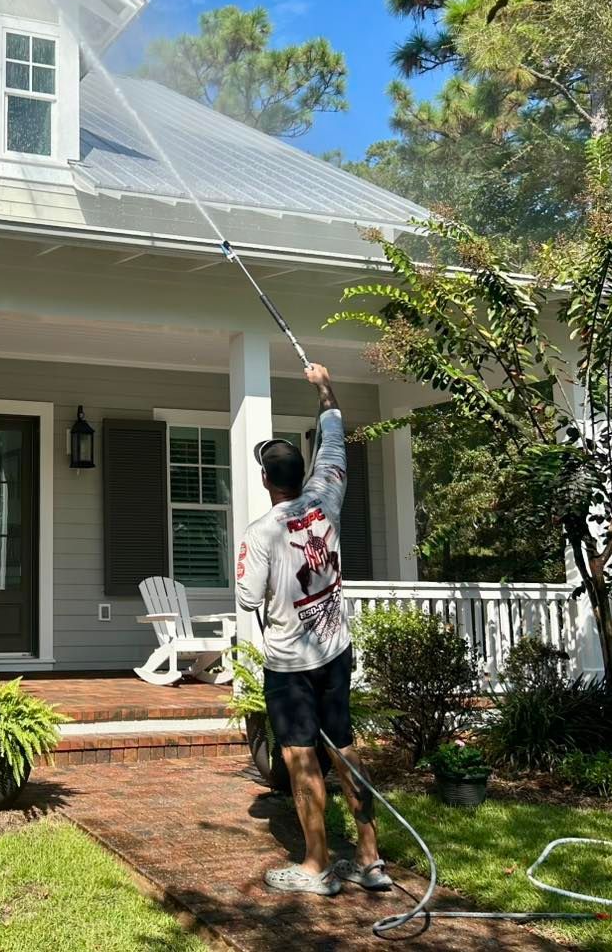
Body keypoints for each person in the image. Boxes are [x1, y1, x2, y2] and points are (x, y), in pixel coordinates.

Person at [235, 362, 391, 897]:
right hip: (336, 650)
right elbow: (335, 440)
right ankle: (371, 860)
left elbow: (248, 598)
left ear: (264, 480)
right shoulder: (327, 494)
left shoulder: (261, 533)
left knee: (301, 758)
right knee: (345, 749)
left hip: (290, 667)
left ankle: (317, 865)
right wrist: (325, 386)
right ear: (300, 475)